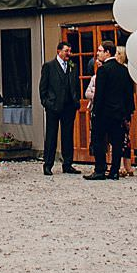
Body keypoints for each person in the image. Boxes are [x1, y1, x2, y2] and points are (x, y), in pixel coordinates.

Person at [87, 41, 134, 181]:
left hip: (104, 113)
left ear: (108, 52)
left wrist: (95, 112)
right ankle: (114, 171)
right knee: (117, 143)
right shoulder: (124, 70)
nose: (98, 53)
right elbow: (128, 94)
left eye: (100, 50)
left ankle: (100, 170)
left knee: (99, 141)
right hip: (119, 113)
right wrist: (128, 113)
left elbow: (99, 94)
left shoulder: (103, 70)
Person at [38, 41, 80, 176]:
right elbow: (43, 87)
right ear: (59, 51)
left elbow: (76, 85)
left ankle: (67, 164)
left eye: (70, 51)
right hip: (53, 106)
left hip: (69, 106)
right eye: (66, 51)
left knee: (68, 135)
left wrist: (76, 100)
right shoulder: (49, 66)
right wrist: (46, 102)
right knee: (51, 135)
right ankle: (48, 164)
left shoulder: (73, 66)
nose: (69, 53)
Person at [114, 46, 135, 177]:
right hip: (123, 107)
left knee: (124, 138)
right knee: (121, 137)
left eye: (117, 53)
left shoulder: (125, 71)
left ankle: (125, 164)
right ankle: (124, 165)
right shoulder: (122, 70)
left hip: (122, 108)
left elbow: (128, 92)